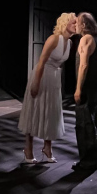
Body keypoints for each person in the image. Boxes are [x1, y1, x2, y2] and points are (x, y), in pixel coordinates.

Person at [18, 12, 77, 164]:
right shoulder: (53, 39)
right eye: (73, 22)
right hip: (42, 75)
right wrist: (35, 84)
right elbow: (42, 62)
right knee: (34, 110)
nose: (76, 25)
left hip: (54, 78)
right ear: (65, 23)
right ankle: (28, 149)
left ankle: (47, 148)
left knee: (51, 112)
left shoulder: (70, 43)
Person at [72, 12, 97, 171]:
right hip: (96, 88)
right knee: (95, 122)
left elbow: (83, 65)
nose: (75, 25)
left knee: (84, 124)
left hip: (87, 88)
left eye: (77, 23)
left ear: (84, 25)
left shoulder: (86, 39)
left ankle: (87, 161)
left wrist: (78, 88)